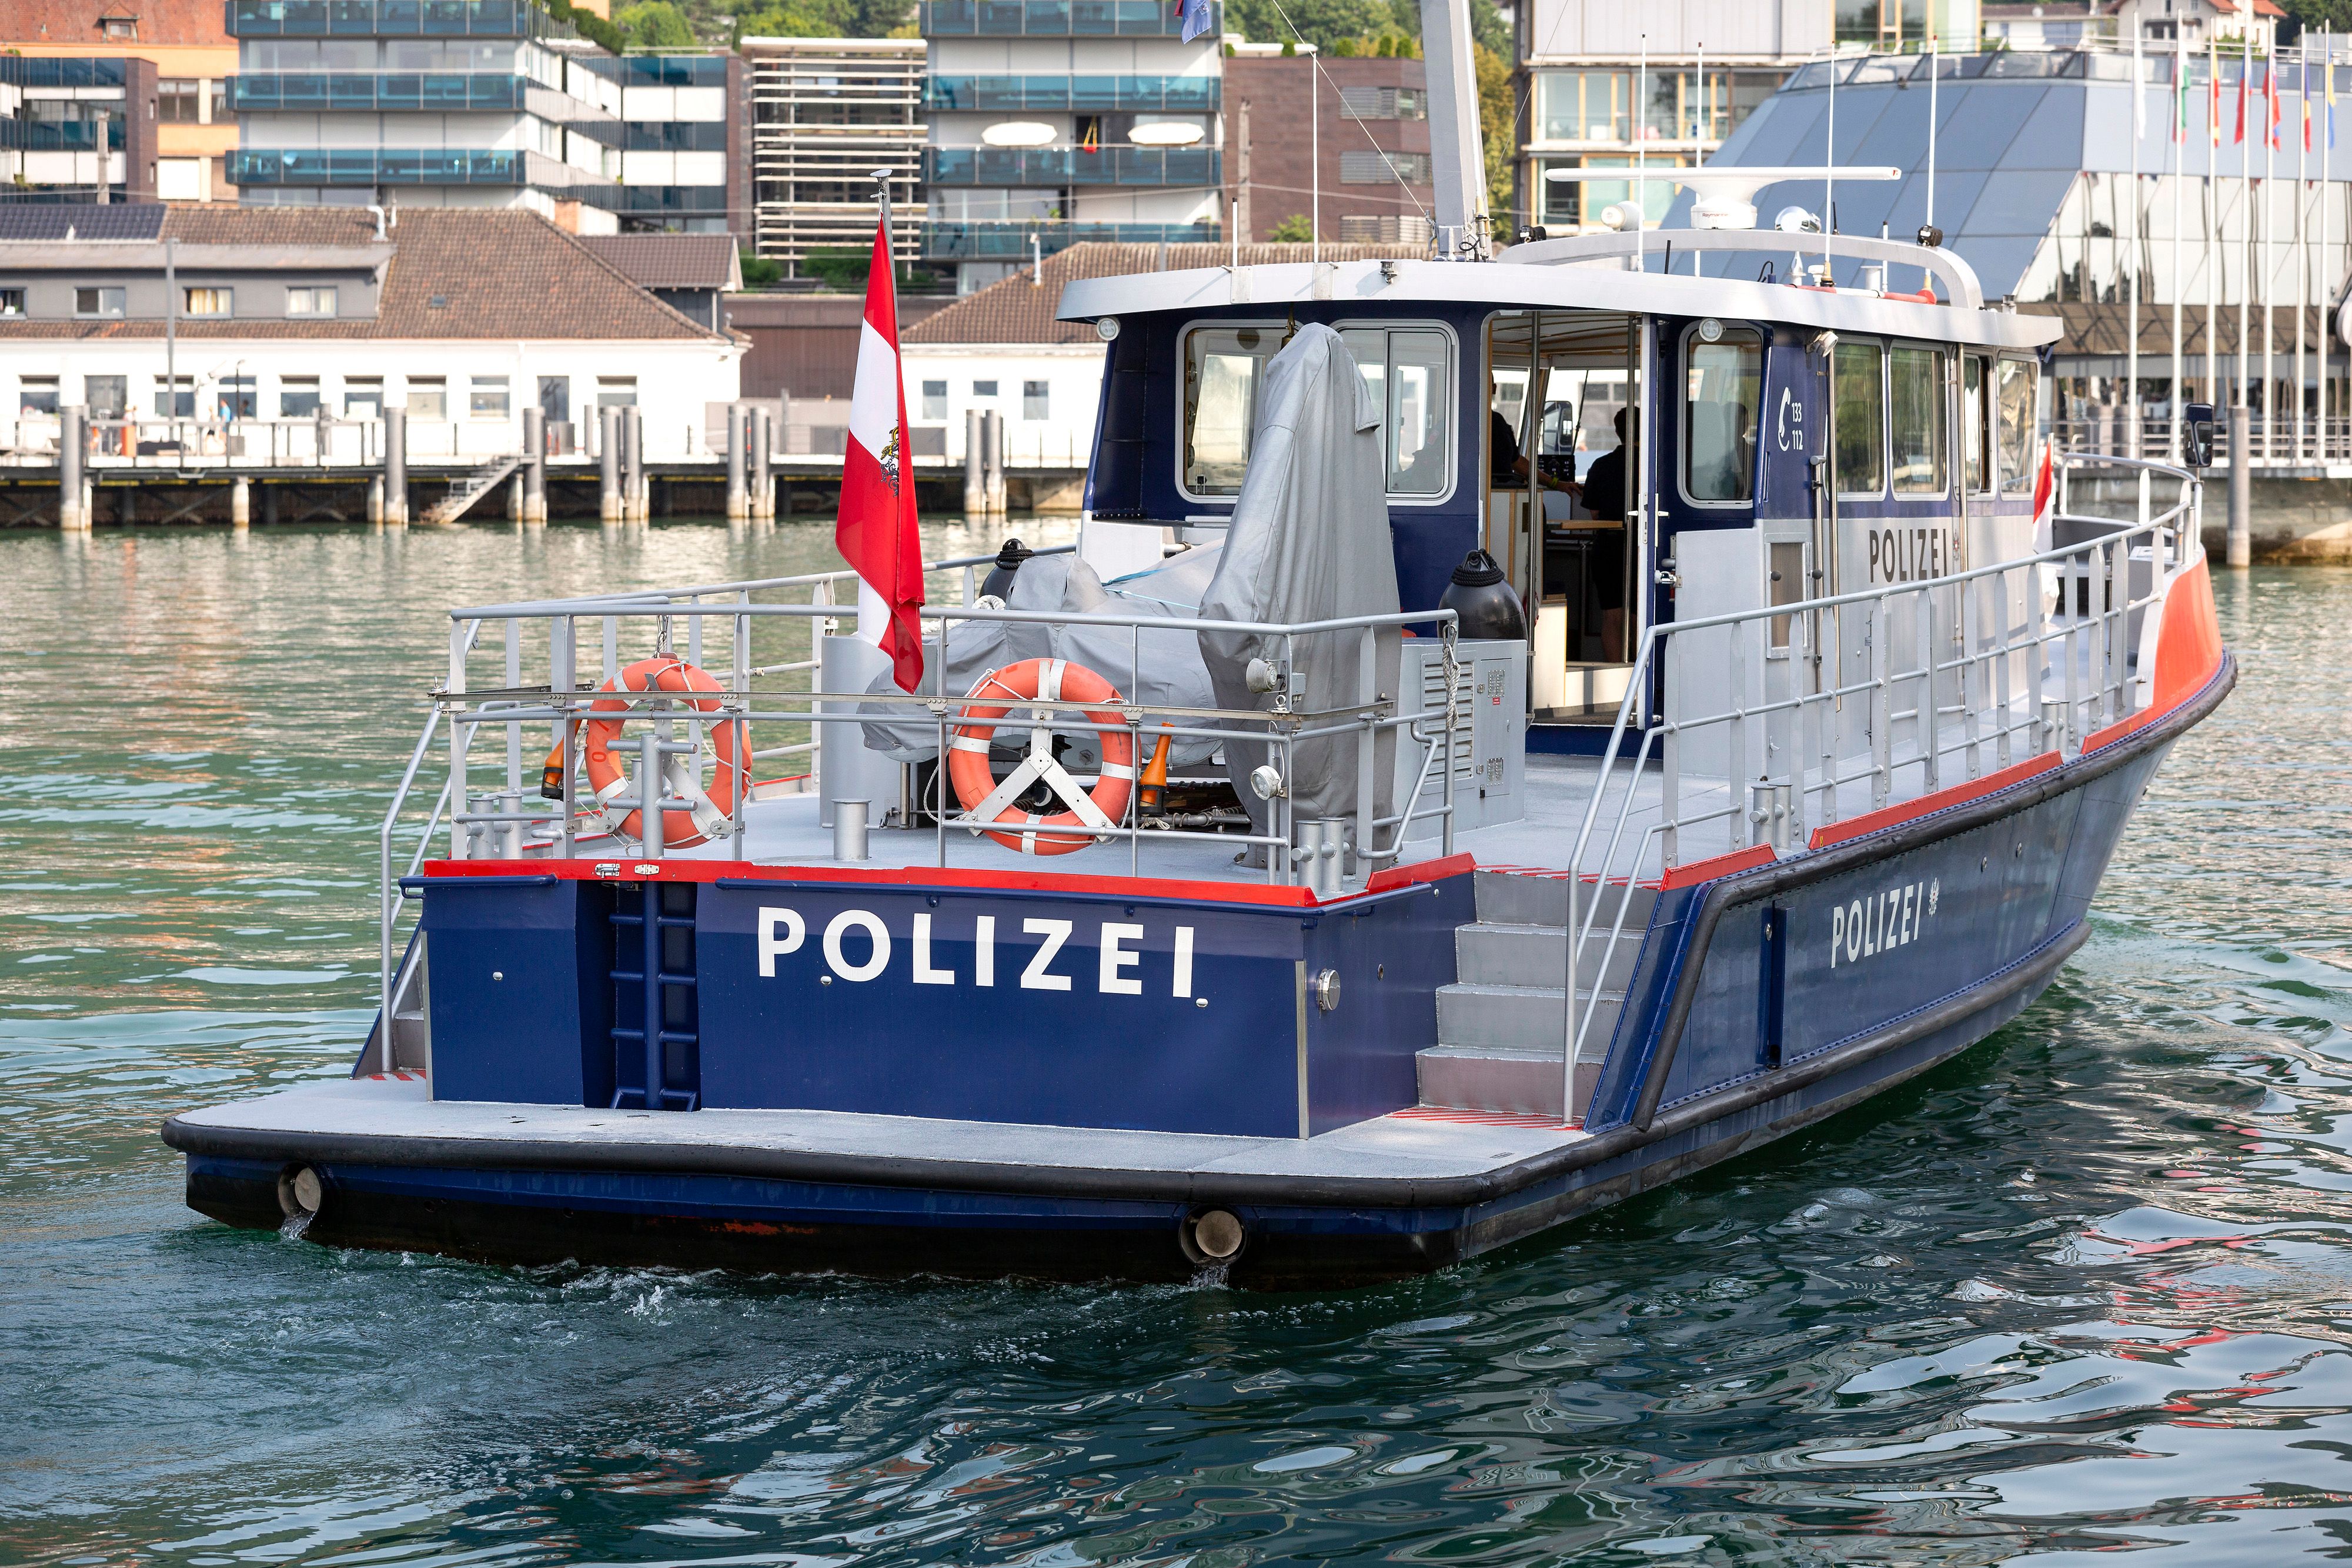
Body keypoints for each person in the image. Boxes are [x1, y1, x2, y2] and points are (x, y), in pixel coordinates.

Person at [1561, 408, 1629, 663]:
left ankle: (1618, 675)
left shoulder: (1601, 466)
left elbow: (1595, 515)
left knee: (1613, 616)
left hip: (1609, 548)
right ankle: (1641, 676)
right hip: (1644, 548)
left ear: (1617, 432)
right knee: (1639, 615)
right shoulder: (1655, 467)